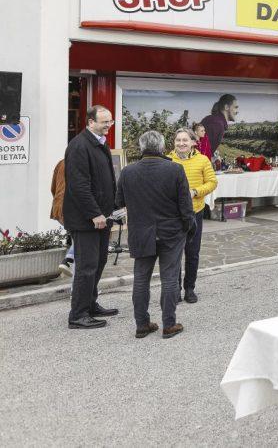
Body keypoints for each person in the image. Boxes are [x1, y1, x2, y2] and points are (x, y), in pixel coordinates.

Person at [116, 130, 193, 339]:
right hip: (171, 232)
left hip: (141, 232)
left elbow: (119, 202)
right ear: (161, 147)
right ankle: (169, 324)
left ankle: (142, 324)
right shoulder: (175, 169)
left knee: (141, 279)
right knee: (169, 278)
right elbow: (186, 206)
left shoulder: (127, 172)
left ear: (142, 148)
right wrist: (188, 227)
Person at [63, 105, 119, 330]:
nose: (108, 126)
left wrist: (112, 211)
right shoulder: (79, 146)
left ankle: (90, 303)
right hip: (87, 220)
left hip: (103, 217)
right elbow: (79, 186)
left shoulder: (99, 142)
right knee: (86, 266)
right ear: (89, 122)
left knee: (99, 262)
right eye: (104, 122)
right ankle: (78, 314)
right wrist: (94, 213)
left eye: (110, 122)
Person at [168, 128, 217, 304]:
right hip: (173, 215)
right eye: (178, 140)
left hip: (195, 212)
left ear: (193, 142)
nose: (181, 144)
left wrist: (196, 191)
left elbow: (212, 182)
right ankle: (175, 289)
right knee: (174, 255)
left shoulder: (202, 160)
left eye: (185, 140)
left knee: (192, 253)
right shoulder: (167, 160)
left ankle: (190, 288)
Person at [51, 159, 74, 278]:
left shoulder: (60, 163)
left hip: (59, 206)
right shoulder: (81, 163)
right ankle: (68, 260)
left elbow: (53, 187)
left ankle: (70, 261)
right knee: (83, 239)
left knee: (78, 240)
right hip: (71, 208)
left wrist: (57, 201)